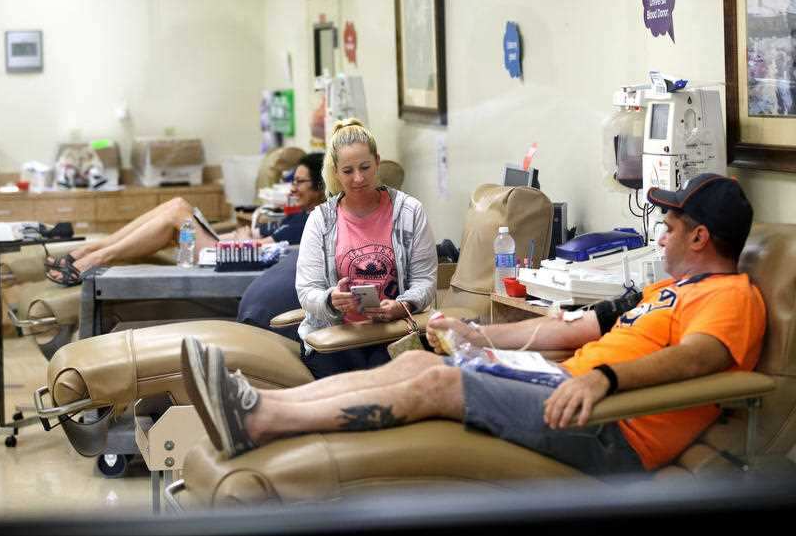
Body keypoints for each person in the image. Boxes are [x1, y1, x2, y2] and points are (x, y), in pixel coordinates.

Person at [181, 173, 765, 478]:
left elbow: (700, 360)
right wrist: (480, 337)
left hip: (608, 428)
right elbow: (571, 331)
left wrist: (601, 381)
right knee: (419, 362)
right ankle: (258, 401)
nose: (659, 233)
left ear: (700, 237)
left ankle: (263, 422)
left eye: (669, 224)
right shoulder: (665, 290)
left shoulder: (731, 297)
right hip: (563, 390)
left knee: (437, 387)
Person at [45, 153, 326, 286]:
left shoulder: (312, 221)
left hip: (234, 260)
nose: (292, 188)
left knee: (178, 208)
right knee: (174, 210)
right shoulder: (302, 214)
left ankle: (95, 257)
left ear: (320, 186)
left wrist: (244, 237)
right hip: (227, 248)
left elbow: (263, 248)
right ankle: (92, 251)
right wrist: (239, 234)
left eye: (300, 182)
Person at [293, 118, 437, 378]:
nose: (358, 178)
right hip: (335, 337)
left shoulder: (409, 211)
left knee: (384, 381)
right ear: (336, 171)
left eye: (365, 167)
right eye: (348, 171)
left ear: (377, 162)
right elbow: (307, 290)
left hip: (392, 332)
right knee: (347, 391)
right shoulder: (321, 219)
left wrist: (401, 306)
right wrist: (330, 300)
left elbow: (425, 281)